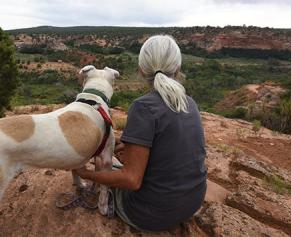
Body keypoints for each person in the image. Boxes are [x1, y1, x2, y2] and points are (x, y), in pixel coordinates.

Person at [74, 35, 207, 232]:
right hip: (192, 203)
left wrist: (86, 173)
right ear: (177, 69)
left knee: (110, 164)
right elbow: (166, 143)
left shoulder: (143, 106)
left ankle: (111, 204)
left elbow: (131, 180)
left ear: (141, 70)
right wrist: (127, 144)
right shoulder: (190, 102)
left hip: (148, 214)